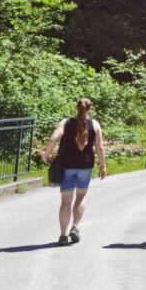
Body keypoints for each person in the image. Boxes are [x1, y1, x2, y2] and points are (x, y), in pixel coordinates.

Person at [42, 97, 106, 246]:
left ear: (76, 108)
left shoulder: (66, 123)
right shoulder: (94, 124)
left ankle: (63, 235)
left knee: (66, 201)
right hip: (86, 165)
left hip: (67, 165)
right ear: (90, 109)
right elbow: (100, 148)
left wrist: (47, 155)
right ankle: (75, 227)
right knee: (81, 195)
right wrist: (103, 166)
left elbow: (53, 138)